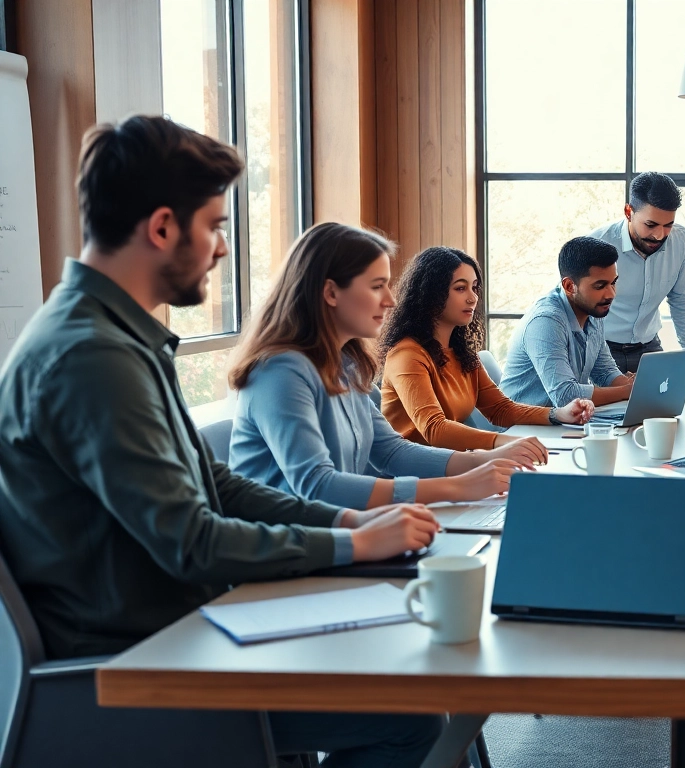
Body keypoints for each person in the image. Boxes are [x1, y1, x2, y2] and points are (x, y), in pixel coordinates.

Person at [0, 115, 443, 767]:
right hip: (138, 663)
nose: (221, 249)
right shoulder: (91, 356)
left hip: (174, 628)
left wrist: (349, 520)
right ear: (160, 228)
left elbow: (217, 487)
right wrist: (350, 543)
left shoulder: (113, 336)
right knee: (406, 719)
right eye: (213, 226)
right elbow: (191, 541)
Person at [228, 223, 534, 509]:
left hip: (334, 534)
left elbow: (391, 451)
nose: (390, 300)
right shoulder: (279, 372)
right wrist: (456, 488)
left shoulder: (344, 365)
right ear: (331, 292)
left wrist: (486, 461)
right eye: (377, 286)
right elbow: (317, 486)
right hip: (286, 555)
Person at [379, 245, 595, 450]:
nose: (473, 297)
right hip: (418, 473)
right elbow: (435, 429)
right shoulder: (406, 354)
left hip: (455, 462)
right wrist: (505, 442)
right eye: (460, 288)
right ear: (431, 294)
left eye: (474, 288)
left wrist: (559, 414)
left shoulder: (461, 351)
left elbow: (500, 409)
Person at [589, 171, 685, 379]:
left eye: (668, 225)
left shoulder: (680, 240)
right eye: (650, 225)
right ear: (628, 212)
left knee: (665, 408)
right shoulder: (596, 244)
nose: (659, 235)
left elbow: (683, 300)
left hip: (648, 349)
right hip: (599, 351)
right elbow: (575, 309)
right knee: (600, 412)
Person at [499, 236, 635, 407]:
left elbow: (604, 372)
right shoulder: (545, 322)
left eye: (613, 283)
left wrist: (635, 385)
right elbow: (565, 395)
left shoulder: (593, 310)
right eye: (600, 286)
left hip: (561, 424)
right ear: (570, 286)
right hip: (521, 428)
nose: (611, 294)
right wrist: (625, 391)